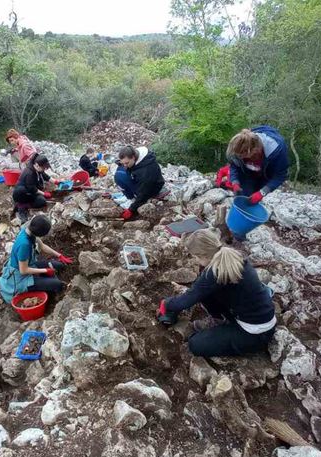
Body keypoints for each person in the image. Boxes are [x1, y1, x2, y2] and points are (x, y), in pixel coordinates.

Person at [156, 229, 275, 357]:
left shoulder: (215, 273)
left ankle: (232, 333)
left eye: (196, 256)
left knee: (195, 344)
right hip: (256, 315)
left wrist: (166, 304)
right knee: (204, 291)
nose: (195, 260)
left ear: (204, 256)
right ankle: (219, 320)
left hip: (255, 332)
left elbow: (189, 298)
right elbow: (199, 290)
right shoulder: (232, 256)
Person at [0, 215, 73, 303]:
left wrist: (59, 255)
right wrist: (45, 271)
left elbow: (42, 246)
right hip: (20, 278)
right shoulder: (24, 244)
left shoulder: (29, 231)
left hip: (29, 265)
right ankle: (53, 296)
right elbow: (23, 270)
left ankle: (43, 280)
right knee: (58, 284)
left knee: (59, 265)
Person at [227, 125, 289, 205]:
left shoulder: (277, 150)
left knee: (259, 201)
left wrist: (263, 192)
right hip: (247, 173)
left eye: (244, 157)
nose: (241, 158)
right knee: (244, 195)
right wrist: (235, 181)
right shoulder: (239, 146)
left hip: (268, 173)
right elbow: (234, 165)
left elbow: (280, 175)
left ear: (256, 151)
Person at [114, 145, 167, 220]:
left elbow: (144, 193)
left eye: (126, 163)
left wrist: (131, 209)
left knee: (120, 176)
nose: (125, 166)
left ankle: (133, 199)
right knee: (119, 174)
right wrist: (122, 164)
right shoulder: (136, 154)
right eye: (123, 163)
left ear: (133, 157)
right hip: (141, 180)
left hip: (152, 188)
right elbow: (125, 165)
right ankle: (131, 198)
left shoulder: (146, 171)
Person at [12, 154, 53, 221]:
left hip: (30, 193)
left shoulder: (37, 169)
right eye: (43, 168)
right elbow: (32, 188)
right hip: (21, 195)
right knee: (21, 190)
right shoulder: (29, 173)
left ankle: (26, 205)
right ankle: (20, 207)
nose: (44, 169)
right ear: (37, 165)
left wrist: (57, 182)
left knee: (42, 201)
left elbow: (45, 176)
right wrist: (44, 193)